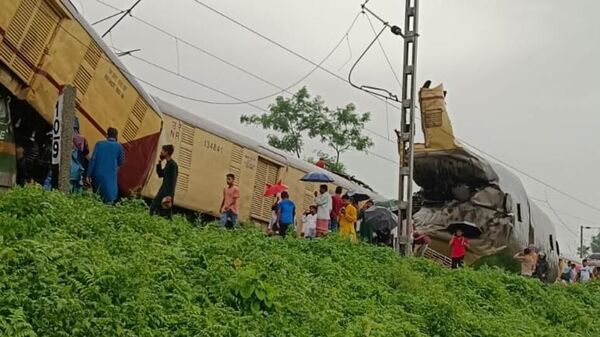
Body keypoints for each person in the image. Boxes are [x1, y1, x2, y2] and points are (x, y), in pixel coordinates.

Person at [86, 127, 124, 204]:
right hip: (110, 176)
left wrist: (88, 174)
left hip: (97, 175)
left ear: (107, 135)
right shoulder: (119, 147)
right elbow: (121, 162)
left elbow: (93, 160)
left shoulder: (99, 144)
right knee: (110, 199)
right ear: (116, 136)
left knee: (97, 197)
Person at [150, 145, 178, 219]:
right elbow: (160, 174)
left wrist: (170, 196)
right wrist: (159, 163)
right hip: (163, 190)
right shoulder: (168, 163)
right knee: (155, 207)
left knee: (165, 212)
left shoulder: (173, 165)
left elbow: (173, 181)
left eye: (162, 151)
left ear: (166, 152)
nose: (161, 152)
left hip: (167, 193)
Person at [70, 116, 89, 194]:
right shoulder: (83, 139)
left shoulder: (66, 136)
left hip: (68, 169)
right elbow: (86, 152)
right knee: (77, 191)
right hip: (79, 170)